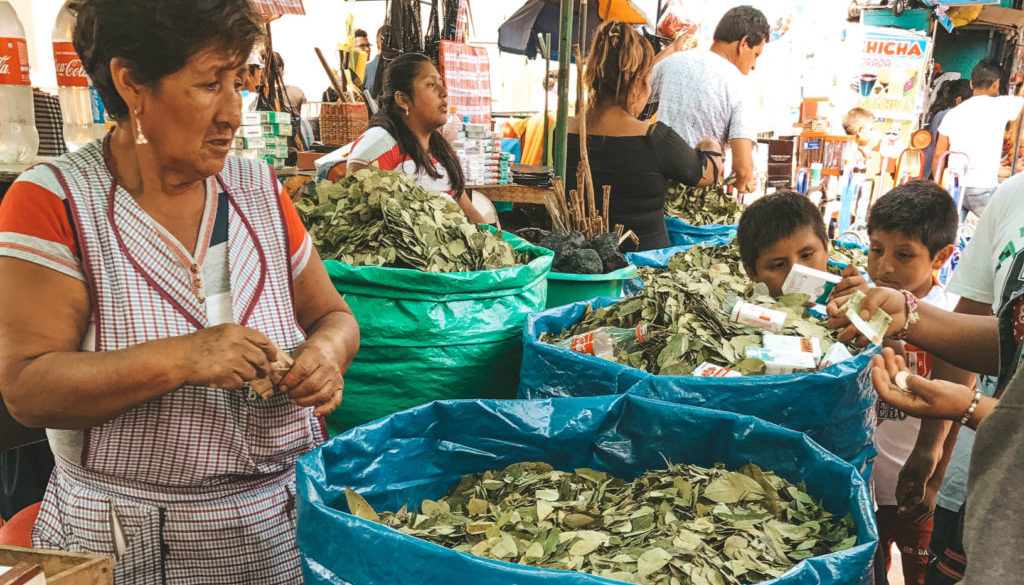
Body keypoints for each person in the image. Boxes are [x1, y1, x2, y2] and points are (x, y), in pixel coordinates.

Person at [0, 1, 361, 582]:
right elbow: (27, 389)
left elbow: (333, 316)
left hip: (280, 536)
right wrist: (185, 357)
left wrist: (325, 355)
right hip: (127, 543)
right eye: (207, 84)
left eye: (237, 82)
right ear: (131, 82)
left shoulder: (259, 190)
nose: (231, 113)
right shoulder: (56, 202)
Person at [862, 182, 961, 585]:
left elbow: (956, 413)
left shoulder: (950, 323)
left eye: (903, 255)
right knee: (872, 571)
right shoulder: (864, 306)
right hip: (868, 481)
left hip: (917, 491)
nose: (884, 267)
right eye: (876, 249)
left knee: (919, 575)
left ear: (941, 257)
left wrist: (934, 482)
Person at [563, 21, 721, 251]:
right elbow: (708, 174)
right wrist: (710, 144)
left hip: (577, 262)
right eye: (648, 81)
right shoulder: (656, 139)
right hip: (645, 267)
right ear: (637, 84)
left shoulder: (563, 131)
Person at [324, 53, 486, 224]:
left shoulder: (440, 149)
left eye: (441, 83)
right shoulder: (378, 145)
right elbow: (364, 225)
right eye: (431, 85)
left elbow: (469, 213)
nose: (444, 93)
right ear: (402, 99)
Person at [648, 5, 769, 194]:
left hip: (656, 191)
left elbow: (633, 96)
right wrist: (744, 182)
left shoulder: (673, 62)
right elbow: (743, 170)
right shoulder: (740, 86)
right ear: (743, 43)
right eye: (756, 55)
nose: (754, 65)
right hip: (699, 206)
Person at [932, 59, 1024, 219]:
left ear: (971, 84)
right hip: (983, 187)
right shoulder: (1002, 105)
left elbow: (939, 154)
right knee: (1000, 227)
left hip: (954, 186)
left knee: (950, 235)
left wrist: (938, 185)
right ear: (996, 84)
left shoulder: (953, 113)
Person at [737, 191, 864, 298]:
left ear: (826, 248)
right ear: (751, 272)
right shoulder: (744, 322)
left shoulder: (855, 292)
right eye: (779, 265)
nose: (797, 274)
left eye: (807, 255)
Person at [922, 79, 972, 181]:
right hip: (933, 169)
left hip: (930, 166)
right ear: (959, 101)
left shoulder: (943, 113)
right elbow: (940, 152)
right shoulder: (949, 116)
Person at [272, 52, 306, 118]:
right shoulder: (297, 91)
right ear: (282, 70)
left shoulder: (261, 96)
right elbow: (306, 120)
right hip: (294, 127)